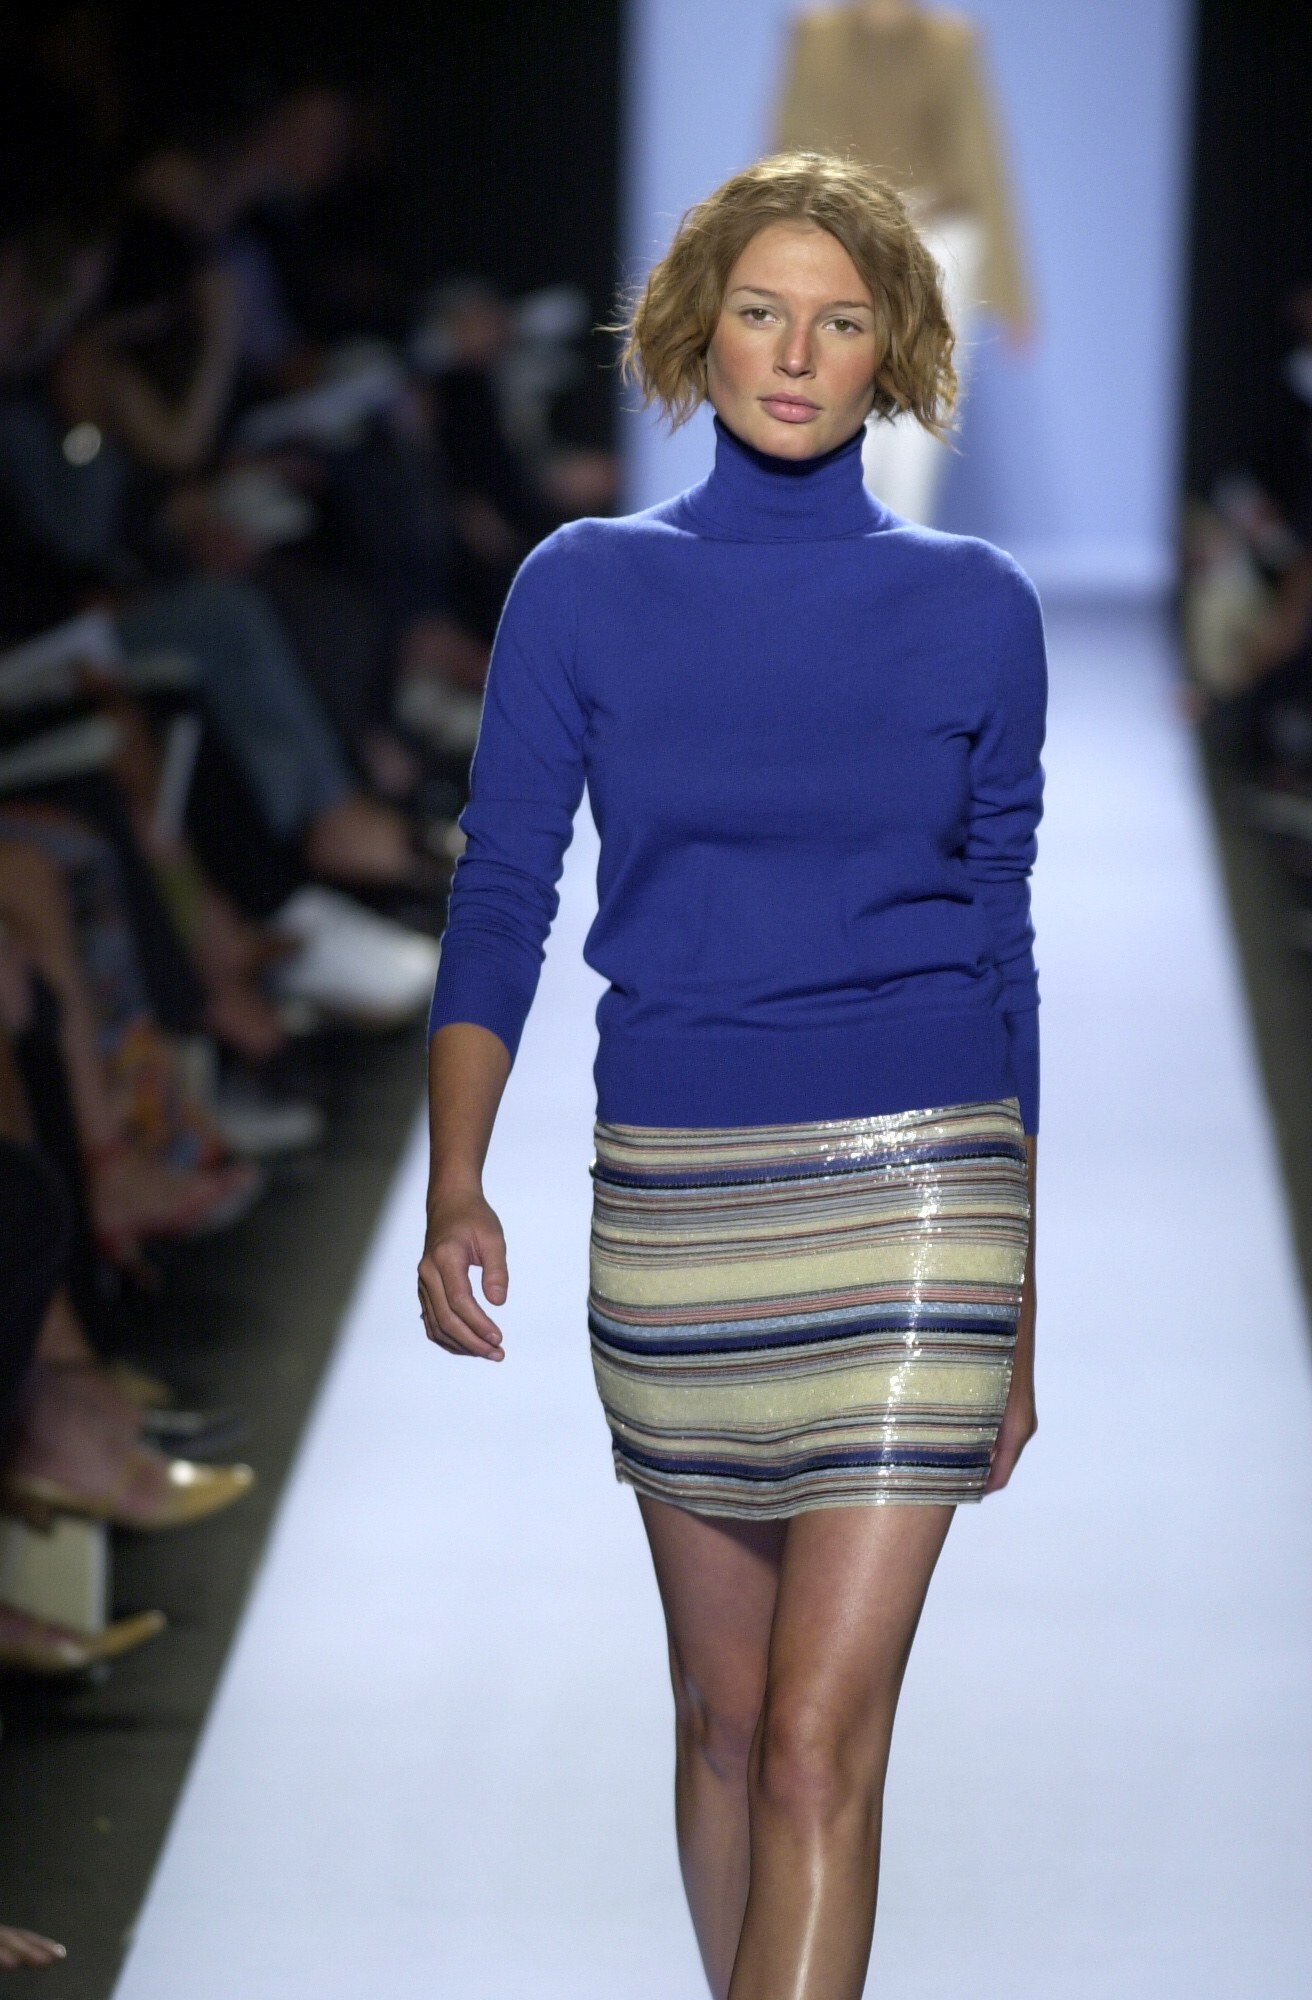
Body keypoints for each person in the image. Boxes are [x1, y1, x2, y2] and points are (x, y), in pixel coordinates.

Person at [418, 151, 1045, 2000]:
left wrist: (1024, 1298)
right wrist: (455, 1177)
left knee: (816, 1745)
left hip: (924, 1195)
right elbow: (503, 889)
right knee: (722, 1717)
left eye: (839, 322)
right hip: (678, 1196)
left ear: (891, 352)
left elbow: (1003, 948)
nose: (794, 353)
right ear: (698, 332)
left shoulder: (980, 605)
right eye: (761, 312)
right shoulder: (581, 588)